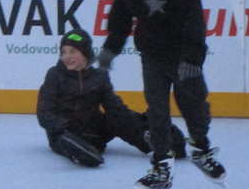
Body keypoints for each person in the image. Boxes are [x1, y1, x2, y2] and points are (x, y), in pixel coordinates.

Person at [97, 0, 226, 189]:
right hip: (152, 55)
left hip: (184, 57)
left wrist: (192, 59)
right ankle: (160, 167)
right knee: (157, 111)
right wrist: (110, 49)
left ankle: (201, 149)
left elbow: (195, 24)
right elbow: (119, 14)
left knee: (193, 106)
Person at [37, 28, 186, 167]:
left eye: (72, 51)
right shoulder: (55, 75)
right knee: (64, 140)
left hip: (92, 128)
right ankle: (80, 151)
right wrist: (62, 127)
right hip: (65, 131)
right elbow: (44, 112)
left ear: (85, 53)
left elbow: (115, 107)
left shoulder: (99, 76)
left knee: (119, 118)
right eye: (63, 52)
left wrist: (137, 122)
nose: (67, 56)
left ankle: (158, 142)